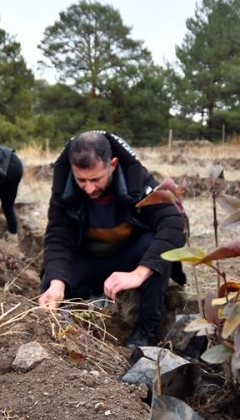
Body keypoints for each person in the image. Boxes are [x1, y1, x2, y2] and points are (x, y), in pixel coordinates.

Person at [38, 131, 186, 347]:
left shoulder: (138, 181)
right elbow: (58, 238)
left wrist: (139, 273)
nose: (89, 188)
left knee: (155, 249)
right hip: (89, 260)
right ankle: (62, 335)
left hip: (129, 258)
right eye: (81, 180)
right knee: (51, 279)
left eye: (96, 179)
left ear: (113, 165)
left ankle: (145, 334)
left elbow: (174, 224)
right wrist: (57, 283)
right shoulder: (64, 191)